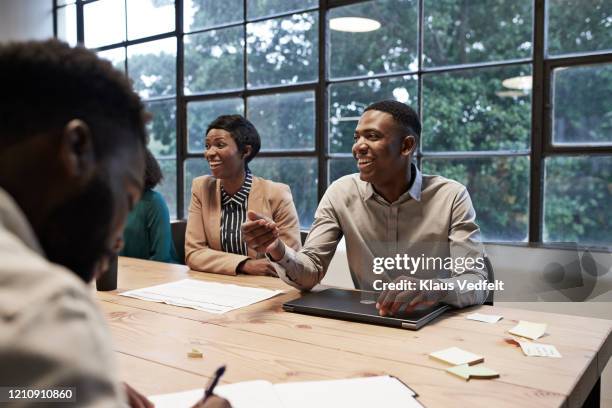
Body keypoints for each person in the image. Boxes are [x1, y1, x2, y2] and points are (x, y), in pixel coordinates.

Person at [0, 40, 229, 408]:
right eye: (126, 197)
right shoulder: (43, 308)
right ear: (76, 149)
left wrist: (68, 387)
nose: (118, 239)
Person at [242, 100, 488, 315]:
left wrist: (431, 288)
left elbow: (476, 282)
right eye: (356, 137)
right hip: (370, 319)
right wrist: (276, 249)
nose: (358, 146)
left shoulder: (451, 196)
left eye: (372, 136)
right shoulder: (341, 192)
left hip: (435, 322)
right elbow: (311, 272)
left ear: (406, 146)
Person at [185, 114, 301, 276]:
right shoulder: (201, 188)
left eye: (219, 145)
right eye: (207, 146)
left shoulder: (277, 194)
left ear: (245, 151)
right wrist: (245, 265)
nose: (209, 153)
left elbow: (292, 260)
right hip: (215, 286)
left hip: (265, 289)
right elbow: (194, 254)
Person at [120, 148, 179, 263]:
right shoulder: (115, 203)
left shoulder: (154, 202)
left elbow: (160, 257)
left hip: (160, 272)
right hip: (123, 274)